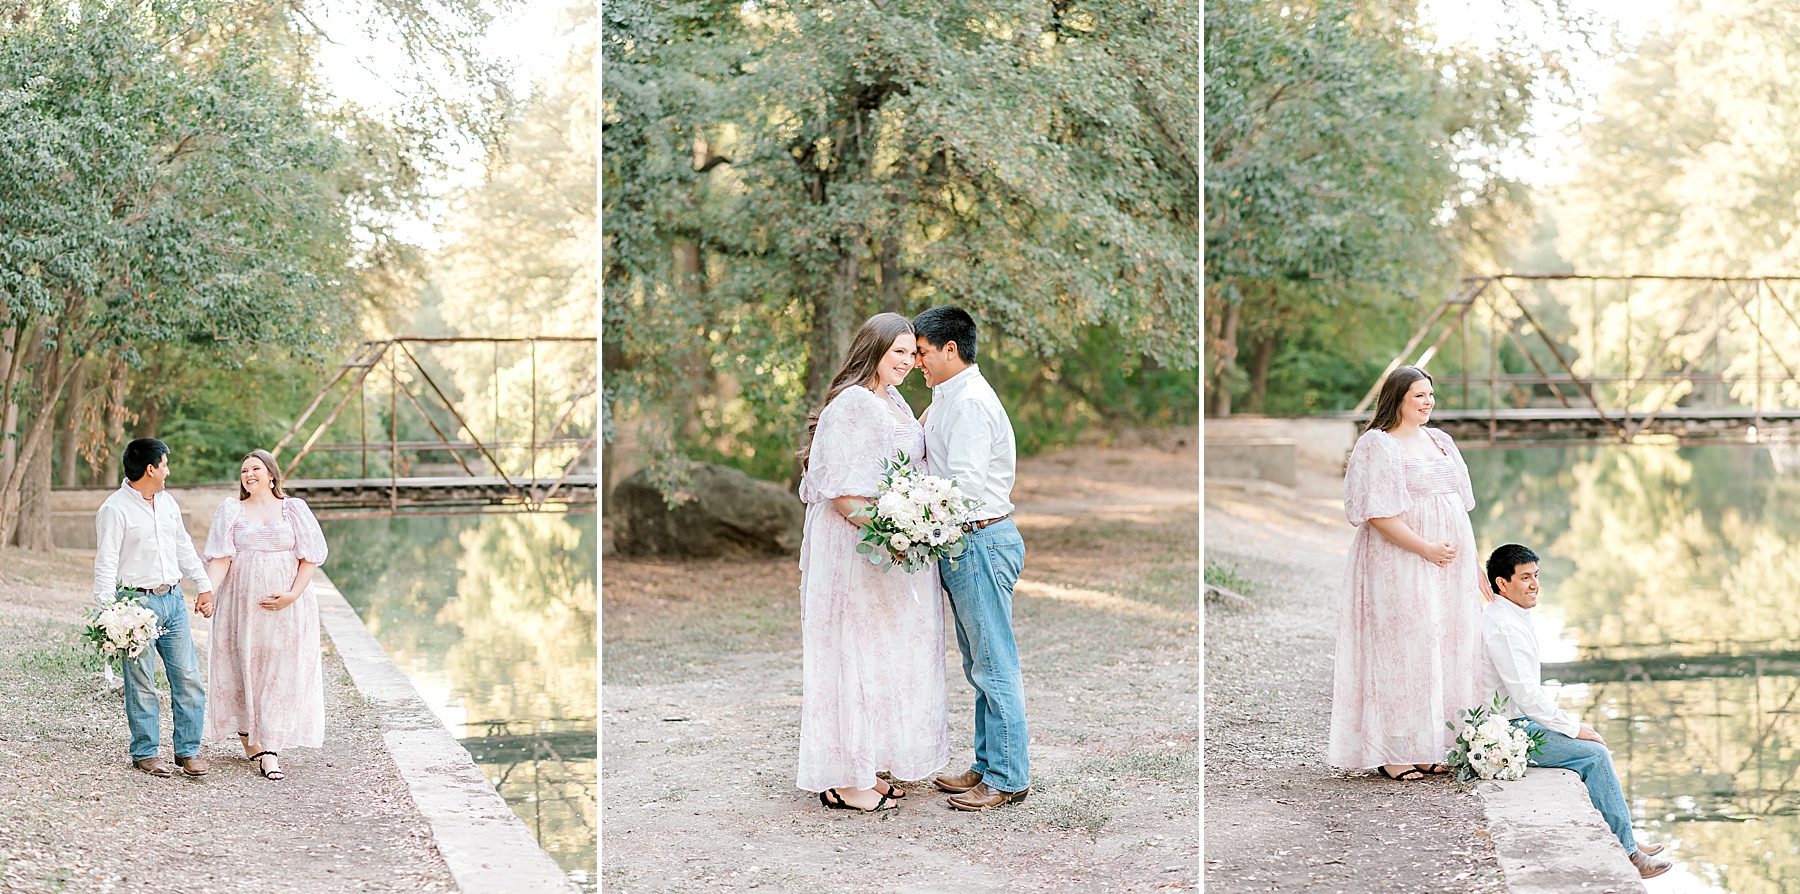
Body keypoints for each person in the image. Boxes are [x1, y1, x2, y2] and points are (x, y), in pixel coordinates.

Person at [795, 312, 951, 812]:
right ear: (875, 348)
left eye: (913, 353)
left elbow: (908, 448)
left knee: (883, 655)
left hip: (882, 553)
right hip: (852, 548)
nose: (907, 361)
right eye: (898, 352)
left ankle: (868, 765)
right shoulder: (853, 403)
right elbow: (841, 493)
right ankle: (845, 781)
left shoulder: (894, 399)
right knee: (851, 653)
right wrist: (894, 532)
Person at [1480, 543, 1673, 879]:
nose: (1534, 584)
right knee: (1593, 754)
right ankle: (1628, 853)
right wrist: (1572, 726)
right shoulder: (1504, 626)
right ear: (1501, 583)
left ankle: (1624, 835)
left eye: (1536, 576)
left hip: (1515, 719)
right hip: (1508, 730)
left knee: (1592, 747)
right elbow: (1526, 695)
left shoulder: (1509, 614)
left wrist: (1569, 725)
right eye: (1524, 577)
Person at [1327, 366, 1482, 781]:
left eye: (1430, 394)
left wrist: (1473, 566)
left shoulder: (1441, 440)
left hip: (1448, 568)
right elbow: (1378, 514)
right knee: (1400, 650)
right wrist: (1426, 547)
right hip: (1401, 561)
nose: (1428, 402)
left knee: (1442, 649)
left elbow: (1458, 505)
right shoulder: (1378, 445)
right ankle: (1392, 751)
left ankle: (1430, 745)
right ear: (1397, 398)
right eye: (1418, 395)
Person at [912, 305, 1031, 811]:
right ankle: (986, 765)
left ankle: (1007, 777)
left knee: (994, 663)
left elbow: (960, 486)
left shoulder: (970, 404)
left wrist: (912, 516)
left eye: (921, 352)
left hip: (981, 540)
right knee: (977, 663)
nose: (917, 362)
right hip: (966, 542)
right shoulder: (948, 398)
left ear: (950, 349)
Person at [200, 449, 330, 781]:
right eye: (244, 470)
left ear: (272, 475)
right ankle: (248, 735)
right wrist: (208, 593)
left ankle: (270, 749)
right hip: (241, 606)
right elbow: (221, 559)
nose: (249, 474)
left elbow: (309, 559)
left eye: (256, 468)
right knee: (244, 667)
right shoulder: (231, 510)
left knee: (280, 670)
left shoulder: (294, 509)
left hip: (287, 607)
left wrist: (292, 595)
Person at [92, 438, 215, 777]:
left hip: (173, 600)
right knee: (142, 682)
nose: (168, 470)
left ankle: (188, 751)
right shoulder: (114, 509)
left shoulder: (168, 502)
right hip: (135, 604)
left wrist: (203, 585)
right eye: (165, 464)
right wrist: (109, 614)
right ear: (151, 469)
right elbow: (105, 565)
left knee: (188, 677)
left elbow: (183, 547)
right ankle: (146, 752)